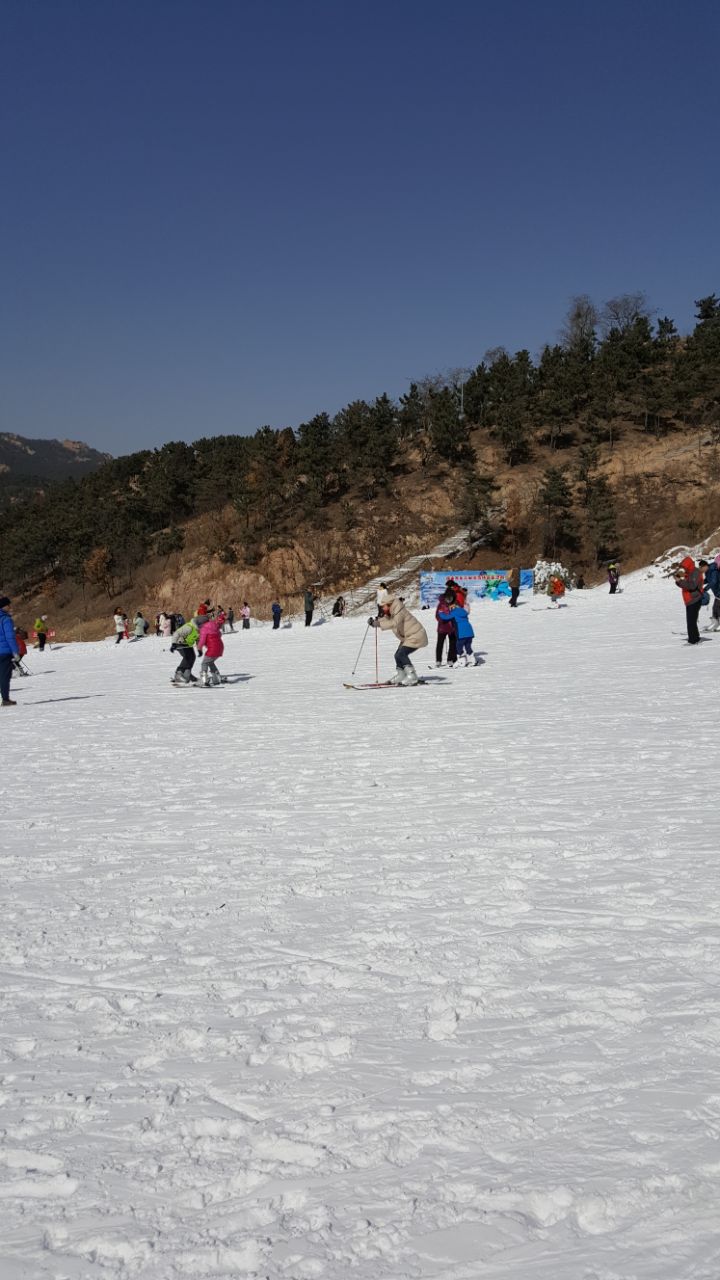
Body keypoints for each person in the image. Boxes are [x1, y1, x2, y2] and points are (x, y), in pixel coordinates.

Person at [368, 592, 428, 685]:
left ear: (389, 605)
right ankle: (401, 675)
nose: (383, 609)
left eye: (384, 607)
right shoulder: (392, 611)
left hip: (416, 635)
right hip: (409, 637)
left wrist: (379, 624)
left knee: (401, 654)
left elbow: (394, 623)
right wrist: (375, 621)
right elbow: (387, 619)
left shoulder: (399, 611)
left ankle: (412, 677)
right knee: (397, 655)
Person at [437, 597, 480, 666]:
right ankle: (473, 660)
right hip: (469, 632)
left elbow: (446, 617)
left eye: (451, 607)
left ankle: (462, 662)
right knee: (468, 646)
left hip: (461, 633)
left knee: (458, 647)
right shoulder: (463, 611)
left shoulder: (454, 612)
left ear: (453, 606)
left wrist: (441, 612)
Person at [674, 556, 705, 644]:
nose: (682, 568)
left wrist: (680, 581)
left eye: (683, 566)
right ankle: (695, 637)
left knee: (691, 621)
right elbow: (684, 585)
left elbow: (692, 586)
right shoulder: (688, 572)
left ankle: (693, 640)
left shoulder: (695, 572)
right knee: (691, 620)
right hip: (689, 600)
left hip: (694, 599)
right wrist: (678, 581)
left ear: (688, 565)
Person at [0, 597, 20, 706]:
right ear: (3, 606)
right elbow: (10, 637)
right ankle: (5, 699)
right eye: (8, 605)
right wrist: (15, 651)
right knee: (4, 676)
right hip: (4, 652)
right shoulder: (6, 619)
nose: (10, 607)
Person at [170, 615, 200, 684]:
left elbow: (198, 639)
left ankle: (187, 674)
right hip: (179, 642)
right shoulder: (189, 627)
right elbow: (177, 633)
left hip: (187, 644)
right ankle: (179, 674)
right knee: (186, 657)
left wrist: (199, 649)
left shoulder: (199, 630)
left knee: (192, 657)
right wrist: (173, 644)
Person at [197, 613, 224, 685]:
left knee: (204, 663)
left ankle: (204, 680)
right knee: (210, 662)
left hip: (213, 649)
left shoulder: (204, 628)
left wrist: (199, 648)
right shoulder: (214, 625)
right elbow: (220, 634)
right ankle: (217, 678)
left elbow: (202, 641)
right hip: (220, 647)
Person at [433, 589, 457, 667]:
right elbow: (437, 616)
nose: (449, 599)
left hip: (452, 628)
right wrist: (443, 619)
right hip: (442, 628)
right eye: (448, 597)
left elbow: (458, 614)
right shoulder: (441, 605)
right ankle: (438, 660)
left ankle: (450, 659)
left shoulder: (455, 604)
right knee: (440, 644)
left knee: (453, 643)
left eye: (451, 598)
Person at [705, 554, 720, 631]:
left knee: (717, 607)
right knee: (715, 607)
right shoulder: (714, 570)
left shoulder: (714, 570)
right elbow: (711, 580)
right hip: (717, 592)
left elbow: (713, 581)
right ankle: (715, 622)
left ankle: (717, 622)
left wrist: (705, 588)